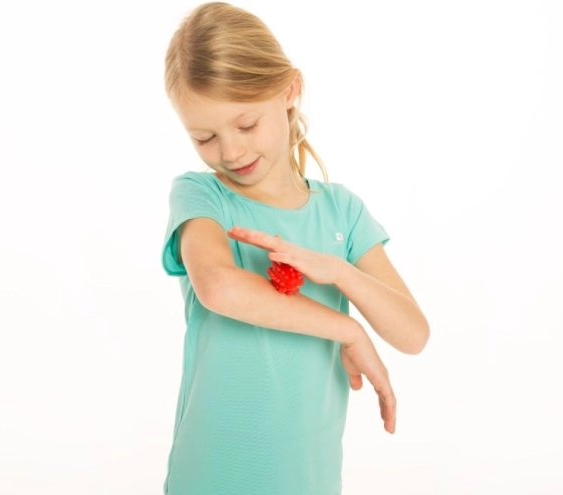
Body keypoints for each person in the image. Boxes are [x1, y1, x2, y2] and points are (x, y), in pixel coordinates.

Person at [160, 3, 430, 494]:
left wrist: (340, 272)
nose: (231, 152)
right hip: (214, 474)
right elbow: (220, 287)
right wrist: (347, 329)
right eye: (205, 137)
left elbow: (412, 334)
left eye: (246, 125)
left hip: (308, 478)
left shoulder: (342, 212)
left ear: (289, 90)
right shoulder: (202, 198)